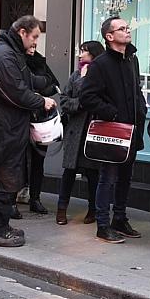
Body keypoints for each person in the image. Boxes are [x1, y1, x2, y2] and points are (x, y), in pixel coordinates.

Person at [0, 15, 55, 247]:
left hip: (8, 125)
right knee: (3, 176)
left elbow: (24, 81)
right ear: (22, 32)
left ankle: (0, 226)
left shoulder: (11, 53)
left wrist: (43, 83)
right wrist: (42, 101)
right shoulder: (3, 55)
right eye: (34, 37)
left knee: (7, 176)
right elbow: (16, 92)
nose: (35, 43)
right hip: (2, 127)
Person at [80, 16, 147, 245]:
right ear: (109, 37)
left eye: (127, 27)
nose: (127, 31)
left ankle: (120, 218)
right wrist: (112, 112)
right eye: (122, 29)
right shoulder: (100, 64)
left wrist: (141, 109)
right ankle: (102, 224)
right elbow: (87, 96)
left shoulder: (132, 60)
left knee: (126, 178)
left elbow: (136, 90)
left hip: (131, 129)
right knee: (107, 178)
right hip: (112, 130)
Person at [55, 40, 104, 225]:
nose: (80, 55)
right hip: (75, 129)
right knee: (69, 171)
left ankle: (93, 210)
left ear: (93, 54)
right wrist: (78, 104)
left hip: (93, 128)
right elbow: (65, 100)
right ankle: (61, 209)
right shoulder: (76, 75)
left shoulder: (100, 75)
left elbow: (93, 98)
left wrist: (85, 83)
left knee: (93, 173)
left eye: (83, 51)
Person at [23, 39, 60, 215]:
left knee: (38, 159)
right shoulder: (14, 60)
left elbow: (54, 84)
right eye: (30, 46)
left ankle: (35, 198)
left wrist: (39, 93)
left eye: (35, 46)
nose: (33, 49)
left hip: (40, 119)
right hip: (20, 116)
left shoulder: (39, 61)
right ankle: (15, 198)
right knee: (18, 159)